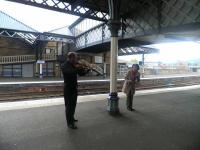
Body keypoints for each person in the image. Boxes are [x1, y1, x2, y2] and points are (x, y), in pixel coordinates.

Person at [61, 52, 90, 129]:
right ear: (70, 58)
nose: (76, 60)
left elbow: (81, 74)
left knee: (73, 105)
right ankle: (69, 123)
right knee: (68, 106)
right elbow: (69, 72)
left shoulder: (74, 65)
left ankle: (72, 118)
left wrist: (87, 70)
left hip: (74, 88)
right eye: (75, 58)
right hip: (68, 89)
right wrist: (77, 68)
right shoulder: (64, 65)